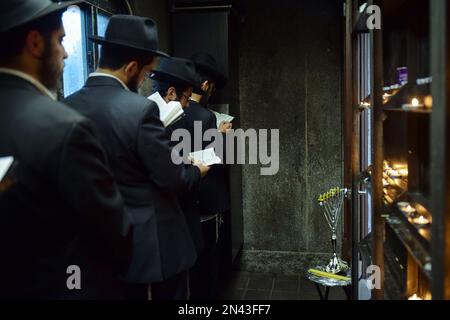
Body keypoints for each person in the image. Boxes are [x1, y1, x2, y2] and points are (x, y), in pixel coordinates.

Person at [64, 15, 210, 300]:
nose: (144, 81)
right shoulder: (140, 111)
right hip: (149, 248)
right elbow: (173, 179)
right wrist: (197, 171)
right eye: (145, 73)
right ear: (131, 67)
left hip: (95, 246)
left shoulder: (67, 106)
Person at [0, 0, 132, 299]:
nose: (66, 53)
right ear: (35, 43)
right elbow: (116, 235)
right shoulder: (65, 128)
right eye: (60, 40)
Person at [171, 52, 231, 299]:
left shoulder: (166, 111)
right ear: (205, 85)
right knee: (206, 266)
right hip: (204, 201)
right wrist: (223, 137)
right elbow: (217, 161)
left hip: (179, 200)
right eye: (212, 87)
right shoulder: (206, 116)